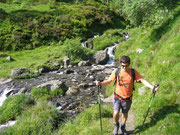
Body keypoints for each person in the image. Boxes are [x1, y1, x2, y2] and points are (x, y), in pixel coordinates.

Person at [96, 55, 159, 135]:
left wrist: (152, 87)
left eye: (126, 66)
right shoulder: (116, 71)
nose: (124, 68)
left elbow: (142, 80)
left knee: (125, 113)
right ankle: (116, 126)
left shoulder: (133, 72)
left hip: (128, 98)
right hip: (117, 97)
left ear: (129, 64)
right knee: (116, 113)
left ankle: (123, 127)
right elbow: (108, 81)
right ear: (120, 64)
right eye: (122, 66)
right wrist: (100, 83)